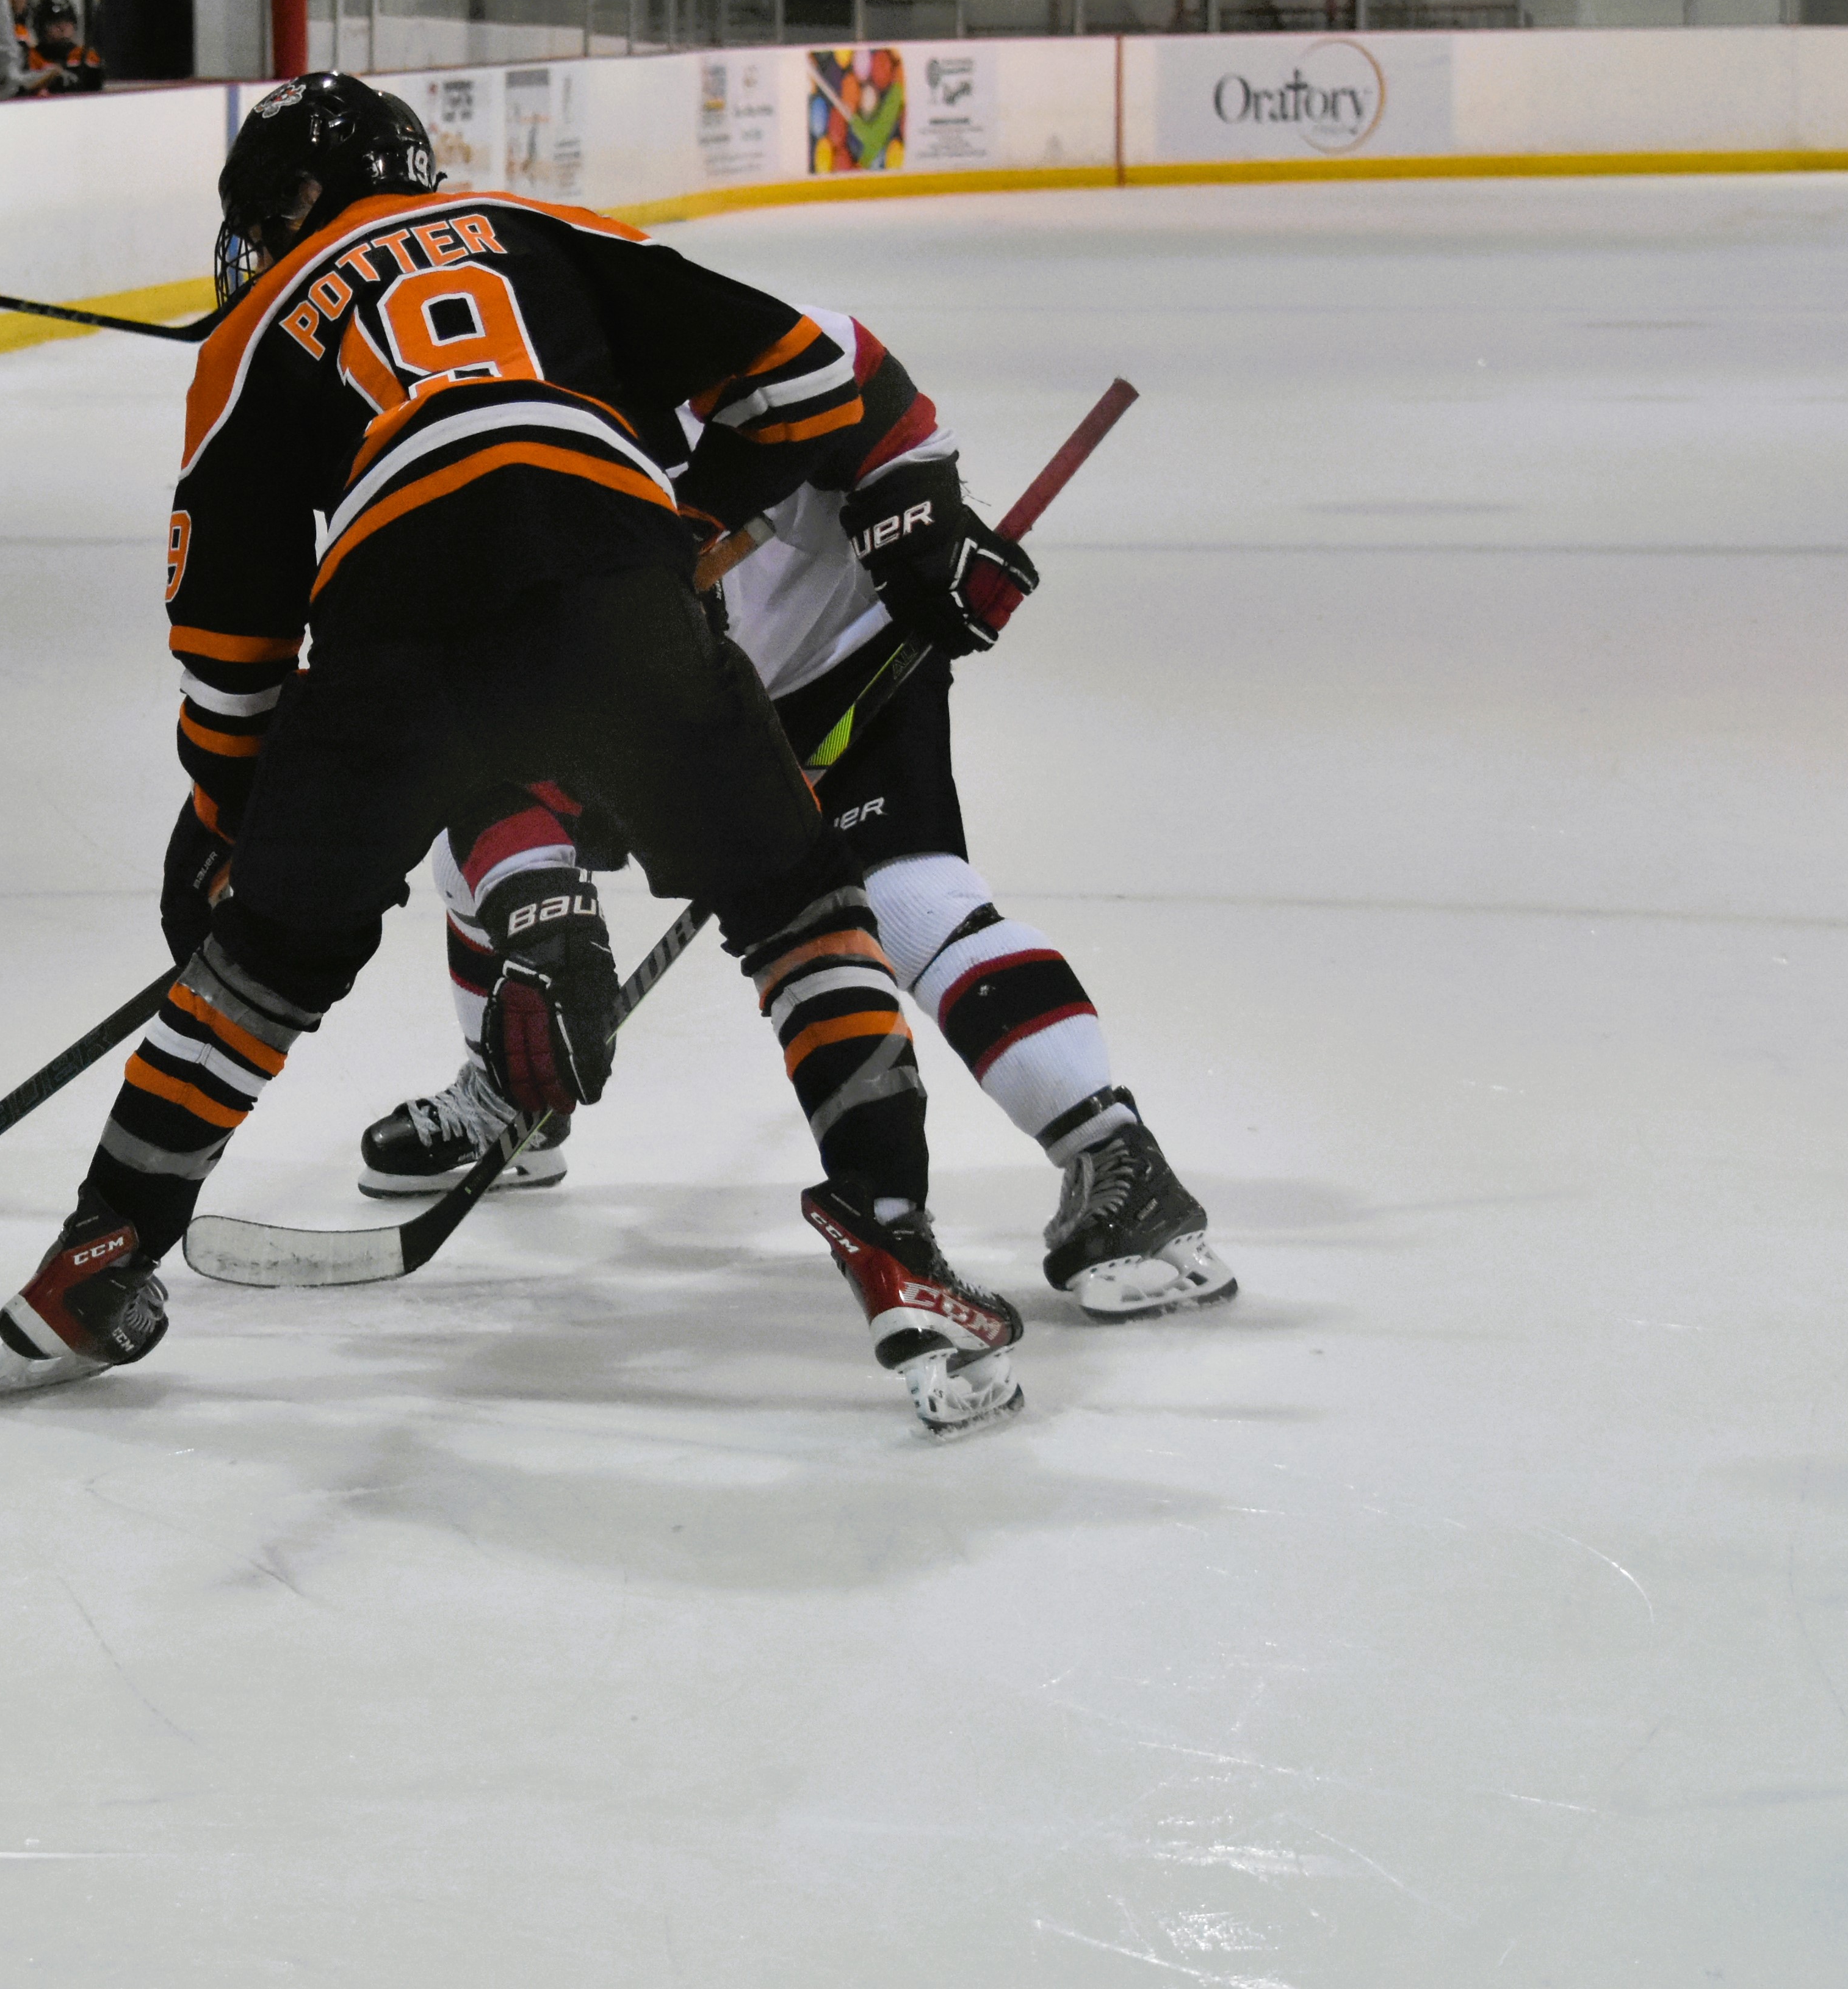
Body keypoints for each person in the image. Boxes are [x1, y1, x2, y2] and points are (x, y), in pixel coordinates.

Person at [0, 72, 1025, 1433]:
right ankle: (897, 1246)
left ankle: (93, 1260)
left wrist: (236, 821)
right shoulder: (538, 225)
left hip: (389, 627)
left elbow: (229, 638)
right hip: (611, 585)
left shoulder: (247, 334)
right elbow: (816, 377)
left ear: (296, 198)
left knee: (262, 972)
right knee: (802, 911)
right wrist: (696, 522)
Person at [352, 329, 1237, 1319]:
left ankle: (1117, 1159)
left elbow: (860, 376)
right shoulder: (492, 493)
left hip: (842, 666)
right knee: (479, 860)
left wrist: (926, 532)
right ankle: (515, 1090)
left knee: (904, 901)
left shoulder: (710, 348)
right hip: (668, 693)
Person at [16, 0, 104, 93]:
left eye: (67, 21)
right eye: (55, 23)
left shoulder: (86, 56)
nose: (63, 28)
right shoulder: (29, 58)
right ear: (41, 27)